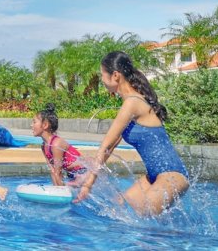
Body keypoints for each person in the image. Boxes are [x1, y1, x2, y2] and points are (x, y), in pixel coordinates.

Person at [74, 51, 189, 216]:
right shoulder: (131, 102)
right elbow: (110, 147)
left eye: (102, 74)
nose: (101, 79)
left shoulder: (132, 102)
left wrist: (88, 185)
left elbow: (105, 145)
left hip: (172, 175)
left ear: (115, 75)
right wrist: (88, 175)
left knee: (144, 220)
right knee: (117, 208)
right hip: (154, 176)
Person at [32, 103, 86, 186]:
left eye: (34, 122)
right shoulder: (44, 146)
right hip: (72, 174)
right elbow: (53, 171)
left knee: (70, 185)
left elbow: (58, 172)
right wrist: (56, 189)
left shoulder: (56, 144)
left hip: (84, 172)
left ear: (45, 125)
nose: (31, 125)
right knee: (66, 184)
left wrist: (60, 189)